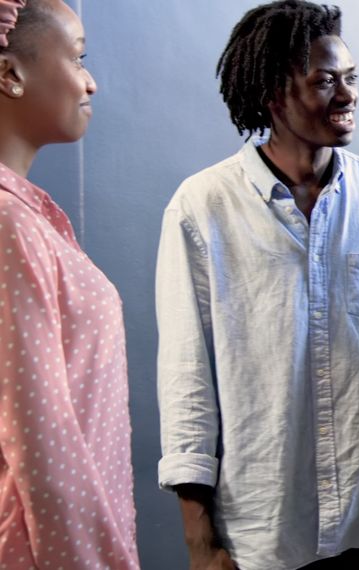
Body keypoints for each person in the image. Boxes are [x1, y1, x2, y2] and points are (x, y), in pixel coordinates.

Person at [155, 1, 359, 569]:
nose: (347, 96)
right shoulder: (203, 208)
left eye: (351, 78)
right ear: (273, 94)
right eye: (325, 82)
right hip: (261, 534)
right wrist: (200, 540)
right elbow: (185, 382)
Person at [0, 0, 140, 567]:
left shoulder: (24, 217)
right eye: (79, 58)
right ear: (11, 75)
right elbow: (42, 449)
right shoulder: (7, 225)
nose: (91, 82)